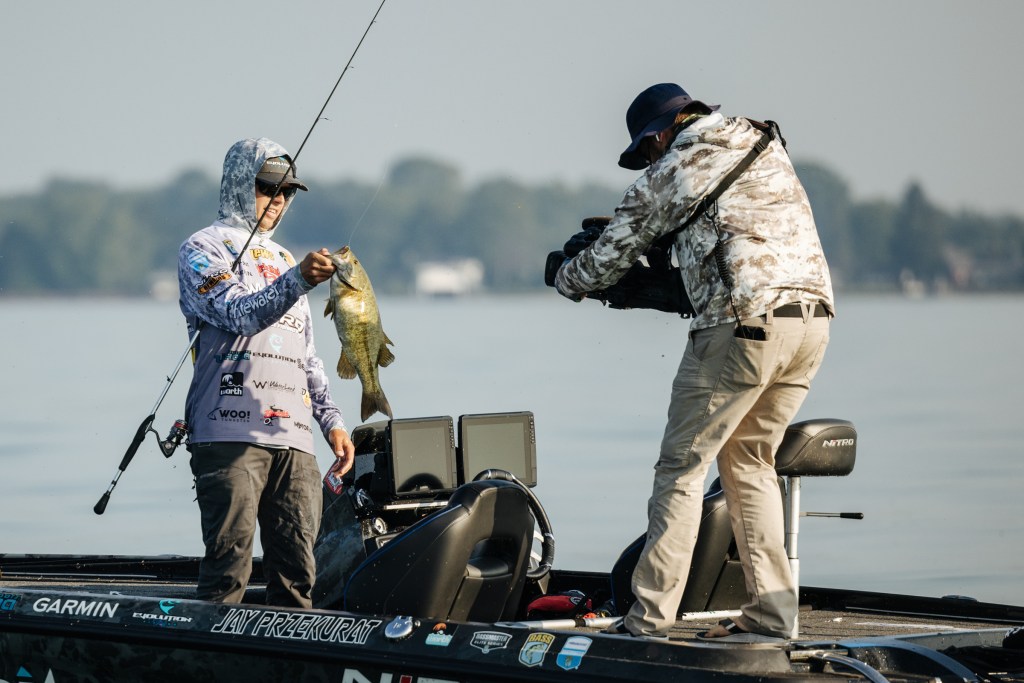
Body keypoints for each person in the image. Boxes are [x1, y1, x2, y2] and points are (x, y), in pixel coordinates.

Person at [554, 83, 834, 641]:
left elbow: (600, 265)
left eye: (645, 150)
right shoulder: (762, 141)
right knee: (750, 462)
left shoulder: (670, 170)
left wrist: (564, 276)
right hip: (812, 322)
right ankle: (772, 617)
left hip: (742, 325)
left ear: (659, 135)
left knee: (680, 470)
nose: (647, 160)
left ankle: (648, 621)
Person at [177, 137, 356, 608]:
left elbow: (307, 354)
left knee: (299, 575)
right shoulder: (202, 248)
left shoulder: (283, 259)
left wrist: (332, 421)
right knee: (228, 570)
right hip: (227, 433)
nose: (278, 200)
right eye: (267, 187)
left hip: (294, 437)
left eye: (287, 191)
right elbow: (237, 313)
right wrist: (297, 280)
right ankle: (210, 648)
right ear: (240, 184)